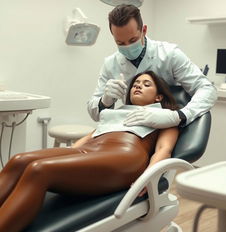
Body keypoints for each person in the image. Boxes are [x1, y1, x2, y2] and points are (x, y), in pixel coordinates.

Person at [0, 71, 179, 232]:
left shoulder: (165, 116)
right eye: (136, 83)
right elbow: (91, 135)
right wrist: (66, 154)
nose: (138, 85)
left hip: (124, 157)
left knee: (39, 169)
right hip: (91, 149)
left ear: (158, 97)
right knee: (20, 160)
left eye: (146, 84)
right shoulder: (117, 112)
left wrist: (147, 178)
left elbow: (164, 150)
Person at [87, 4, 217, 128]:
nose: (127, 47)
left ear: (144, 30)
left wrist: (179, 116)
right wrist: (104, 101)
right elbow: (95, 114)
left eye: (132, 40)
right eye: (120, 43)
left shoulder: (169, 55)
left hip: (163, 129)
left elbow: (207, 89)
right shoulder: (110, 64)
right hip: (129, 126)